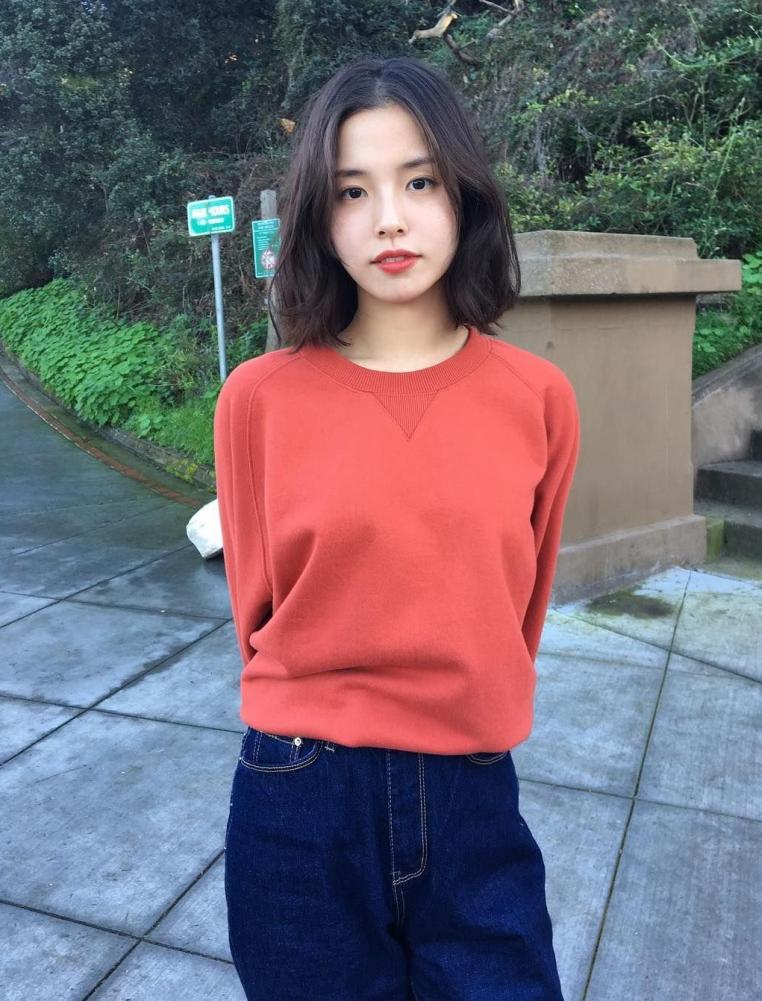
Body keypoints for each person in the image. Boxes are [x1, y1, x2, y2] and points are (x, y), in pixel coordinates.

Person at [214, 54, 580, 1001]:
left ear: (465, 195)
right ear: (317, 215)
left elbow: (522, 602)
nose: (388, 218)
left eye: (419, 182)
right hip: (299, 794)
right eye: (352, 190)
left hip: (474, 792)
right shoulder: (257, 398)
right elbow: (255, 606)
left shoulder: (538, 396)